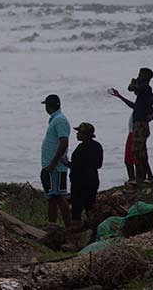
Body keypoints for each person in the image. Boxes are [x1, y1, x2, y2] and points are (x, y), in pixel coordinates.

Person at [109, 68, 153, 184]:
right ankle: (147, 177)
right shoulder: (143, 95)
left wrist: (134, 81)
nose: (139, 77)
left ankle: (146, 177)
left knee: (138, 151)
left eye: (141, 75)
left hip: (140, 125)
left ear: (147, 78)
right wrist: (120, 97)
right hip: (139, 124)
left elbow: (131, 88)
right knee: (140, 152)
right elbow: (134, 106)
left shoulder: (146, 88)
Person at [40, 94, 72, 233]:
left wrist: (53, 162)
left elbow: (64, 141)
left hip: (56, 167)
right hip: (49, 166)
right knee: (51, 197)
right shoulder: (55, 119)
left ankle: (69, 227)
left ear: (49, 106)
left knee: (59, 196)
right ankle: (52, 226)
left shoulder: (60, 120)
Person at [65, 122, 103, 228]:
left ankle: (75, 232)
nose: (77, 134)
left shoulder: (81, 148)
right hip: (93, 180)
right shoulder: (97, 146)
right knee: (90, 207)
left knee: (77, 208)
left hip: (80, 183)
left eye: (79, 132)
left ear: (85, 134)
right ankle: (93, 229)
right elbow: (99, 164)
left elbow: (76, 165)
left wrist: (67, 163)